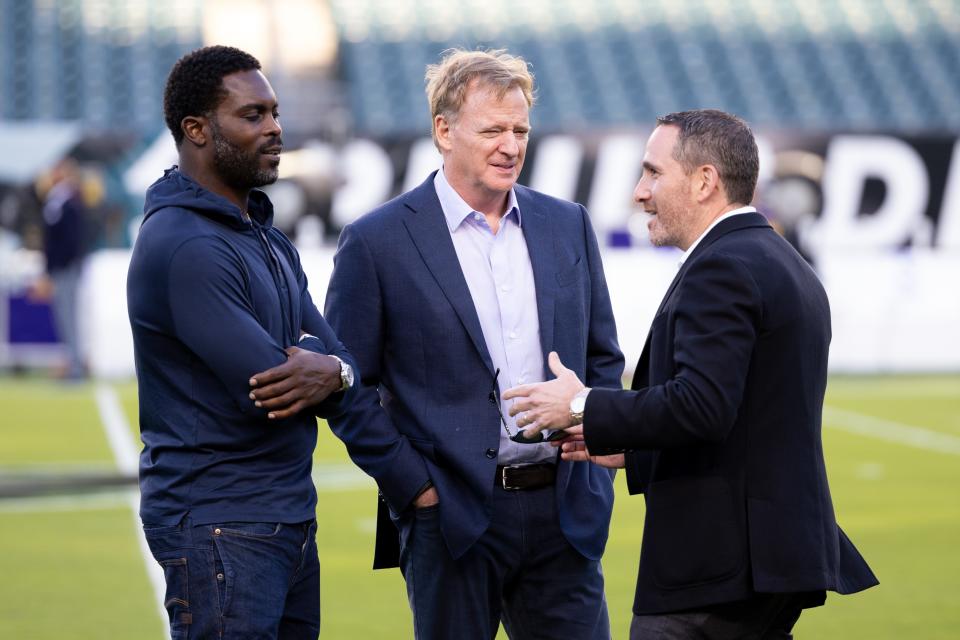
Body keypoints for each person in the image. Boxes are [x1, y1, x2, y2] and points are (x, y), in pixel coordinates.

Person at [504, 109, 878, 639]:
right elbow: (742, 415)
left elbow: (702, 404)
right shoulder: (778, 259)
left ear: (705, 181)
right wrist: (632, 449)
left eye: (654, 173)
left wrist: (583, 403)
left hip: (718, 567)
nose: (639, 192)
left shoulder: (722, 267)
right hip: (767, 561)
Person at [324, 49, 624, 639]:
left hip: (564, 511)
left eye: (520, 130)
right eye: (493, 129)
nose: (511, 145)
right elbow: (348, 386)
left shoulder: (568, 223)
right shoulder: (377, 241)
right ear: (444, 130)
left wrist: (595, 460)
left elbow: (603, 358)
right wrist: (415, 488)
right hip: (450, 517)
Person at [127, 45, 357, 640]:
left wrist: (335, 371)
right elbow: (273, 388)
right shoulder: (185, 245)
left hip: (281, 516)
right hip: (221, 525)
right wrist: (331, 371)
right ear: (196, 130)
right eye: (252, 115)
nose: (275, 127)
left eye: (274, 112)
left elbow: (340, 360)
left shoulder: (264, 234)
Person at [38, 157, 88, 379]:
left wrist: (58, 266)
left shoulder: (68, 201)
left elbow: (69, 240)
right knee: (64, 317)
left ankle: (75, 368)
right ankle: (72, 364)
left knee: (68, 317)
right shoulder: (57, 200)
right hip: (62, 268)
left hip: (66, 268)